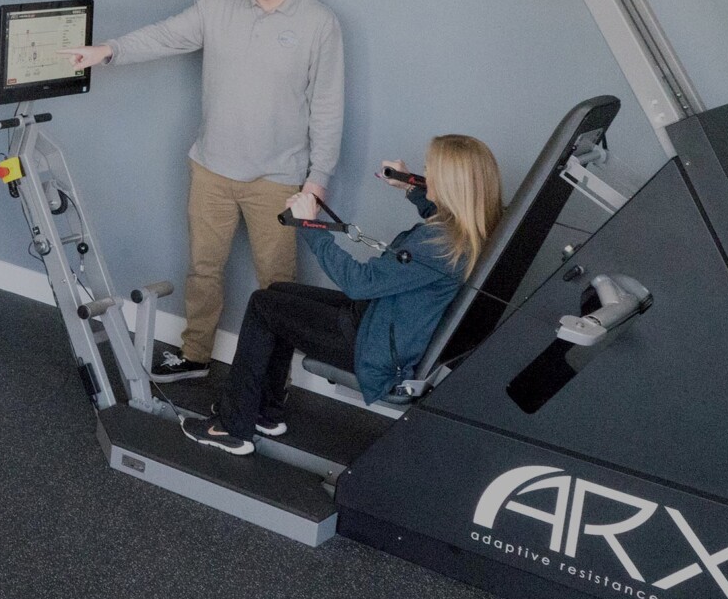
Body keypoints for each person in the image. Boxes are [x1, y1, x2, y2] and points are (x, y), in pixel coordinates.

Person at [64, 0, 343, 382]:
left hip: (278, 180)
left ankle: (273, 381)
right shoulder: (218, 5)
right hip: (211, 168)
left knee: (279, 287)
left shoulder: (319, 24)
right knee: (203, 270)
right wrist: (107, 51)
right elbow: (165, 36)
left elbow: (328, 109)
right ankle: (194, 355)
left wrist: (316, 183)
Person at [188, 135, 504, 455]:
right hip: (380, 320)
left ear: (451, 184)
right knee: (276, 294)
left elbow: (358, 283)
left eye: (429, 170)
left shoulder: (434, 245)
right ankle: (264, 412)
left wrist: (309, 225)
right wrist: (408, 185)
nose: (425, 174)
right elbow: (440, 210)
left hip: (371, 347)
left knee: (262, 305)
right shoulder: (469, 231)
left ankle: (232, 427)